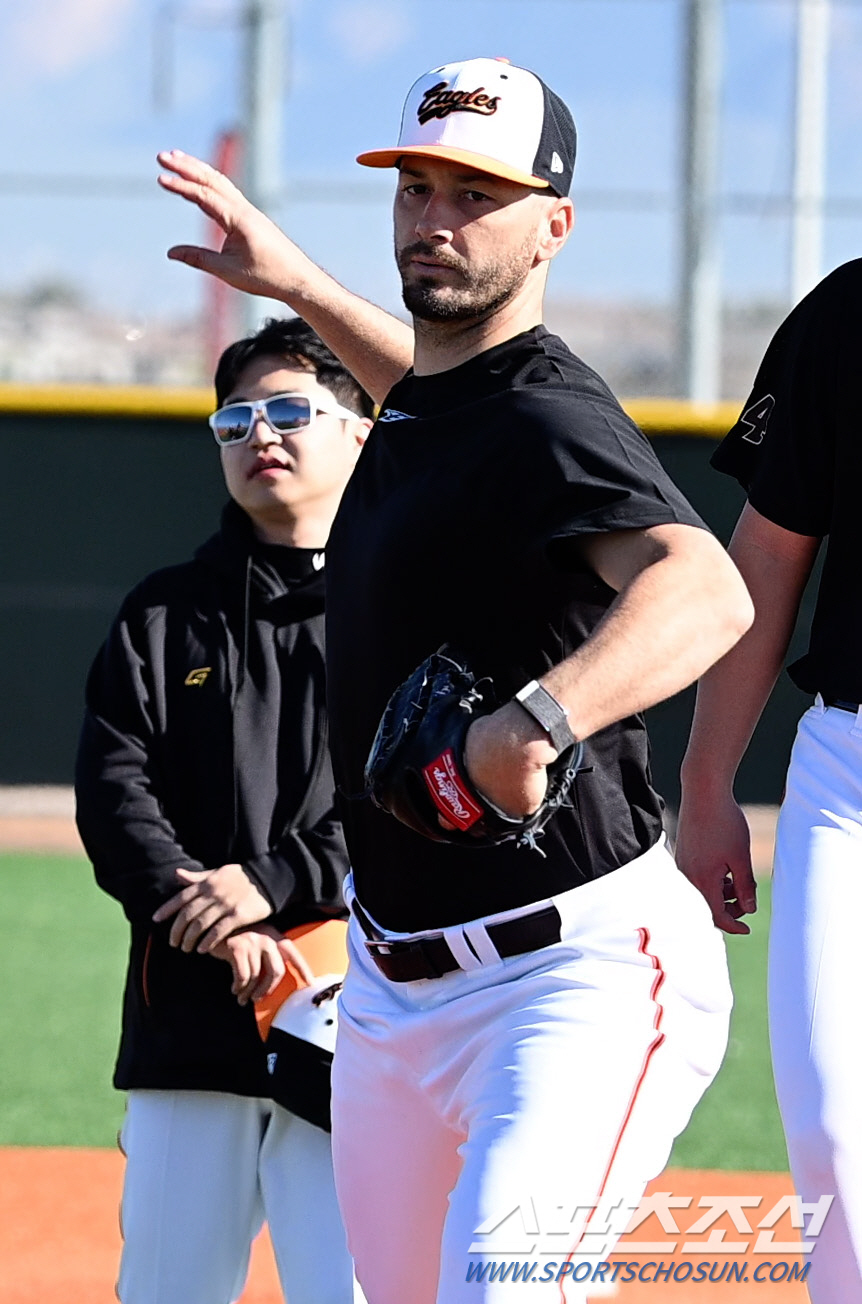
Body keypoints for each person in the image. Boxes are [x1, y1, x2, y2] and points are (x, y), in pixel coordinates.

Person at [157, 56, 754, 1303]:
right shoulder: (447, 400)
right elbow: (428, 395)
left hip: (570, 980)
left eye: (474, 193)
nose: (434, 218)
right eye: (417, 185)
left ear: (553, 226)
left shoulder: (551, 416)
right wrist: (299, 285)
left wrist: (539, 715)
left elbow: (707, 589)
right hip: (391, 986)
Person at [75, 317, 373, 1304]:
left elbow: (413, 795)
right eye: (235, 417)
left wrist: (274, 888)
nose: (261, 436)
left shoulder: (408, 611)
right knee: (165, 1289)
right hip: (192, 1022)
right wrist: (212, 917)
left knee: (349, 1289)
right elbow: (115, 793)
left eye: (289, 410)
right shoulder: (162, 614)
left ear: (361, 431)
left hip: (359, 1022)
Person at [675, 259, 862, 1304]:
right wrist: (707, 781)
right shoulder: (850, 308)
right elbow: (767, 555)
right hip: (850, 765)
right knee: (833, 1125)